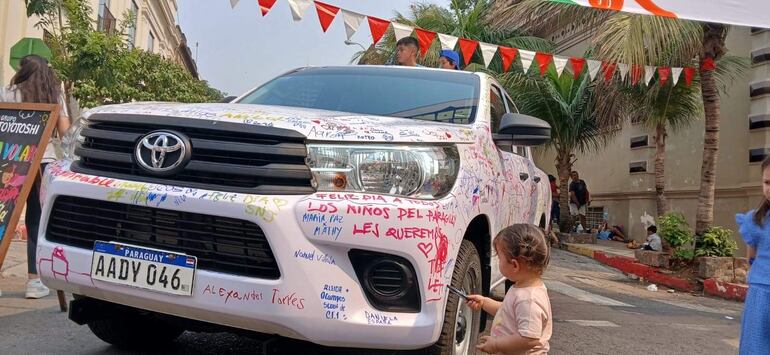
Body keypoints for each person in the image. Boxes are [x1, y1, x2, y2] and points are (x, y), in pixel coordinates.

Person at [0, 55, 71, 299]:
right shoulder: (54, 95)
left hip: (11, 162)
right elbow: (65, 134)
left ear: (23, 71)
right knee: (35, 221)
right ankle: (33, 281)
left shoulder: (7, 93)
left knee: (3, 217)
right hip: (43, 161)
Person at [466, 224, 552, 354]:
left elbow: (529, 339)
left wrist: (496, 345)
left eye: (500, 258)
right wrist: (484, 302)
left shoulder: (529, 300)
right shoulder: (523, 287)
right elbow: (507, 312)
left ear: (514, 265)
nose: (498, 262)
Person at [736, 155, 770, 354]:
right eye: (767, 182)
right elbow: (751, 256)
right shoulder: (756, 220)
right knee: (756, 347)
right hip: (761, 293)